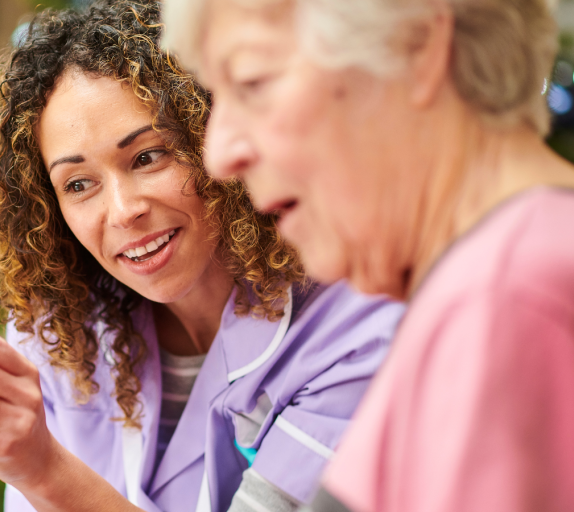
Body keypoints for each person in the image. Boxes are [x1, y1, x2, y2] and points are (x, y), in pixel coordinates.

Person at [0, 2, 404, 512]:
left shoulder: (352, 326)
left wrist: (45, 469)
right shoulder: (59, 335)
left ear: (213, 136)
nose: (123, 212)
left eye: (148, 156)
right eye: (78, 184)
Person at [161, 0, 574, 510]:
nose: (219, 154)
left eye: (253, 82)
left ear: (417, 48)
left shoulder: (504, 294)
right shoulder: (501, 273)